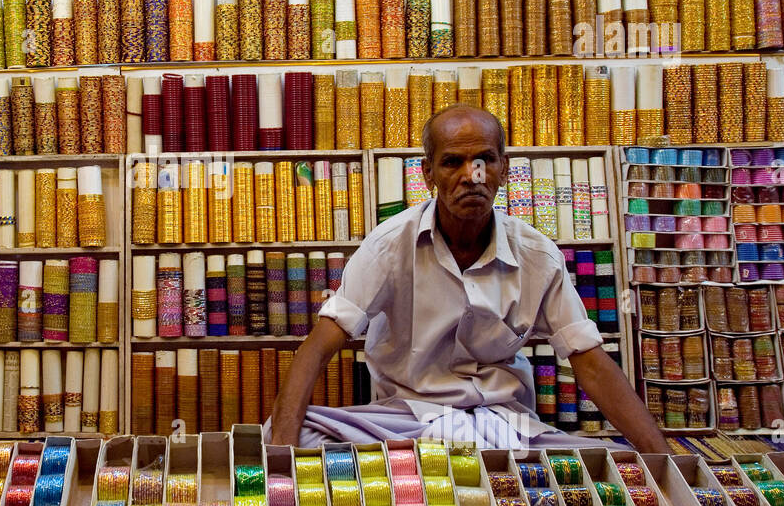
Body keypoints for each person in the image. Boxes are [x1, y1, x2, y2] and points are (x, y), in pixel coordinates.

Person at [268, 104, 670, 454]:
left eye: (484, 160)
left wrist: (666, 462)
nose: (472, 175)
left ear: (504, 169)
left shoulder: (536, 256)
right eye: (452, 163)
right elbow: (319, 347)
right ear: (427, 174)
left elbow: (592, 364)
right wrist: (281, 454)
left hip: (504, 427)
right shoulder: (389, 247)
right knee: (286, 433)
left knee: (616, 463)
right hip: (410, 424)